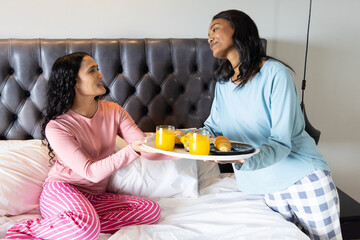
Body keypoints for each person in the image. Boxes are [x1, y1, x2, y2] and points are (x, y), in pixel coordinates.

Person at [204, 10, 341, 240]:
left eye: (215, 28)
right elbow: (212, 129)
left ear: (238, 29)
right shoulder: (223, 85)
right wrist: (180, 139)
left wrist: (242, 159)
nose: (209, 37)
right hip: (262, 190)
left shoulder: (275, 74)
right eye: (208, 33)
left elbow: (280, 142)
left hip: (303, 181)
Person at [6, 52, 171, 240]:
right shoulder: (58, 126)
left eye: (98, 69)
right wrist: (131, 149)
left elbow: (147, 149)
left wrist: (186, 149)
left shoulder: (114, 111)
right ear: (74, 82)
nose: (101, 75)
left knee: (150, 211)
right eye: (92, 71)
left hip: (94, 197)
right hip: (62, 190)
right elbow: (90, 172)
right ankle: (25, 230)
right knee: (86, 229)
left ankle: (79, 224)